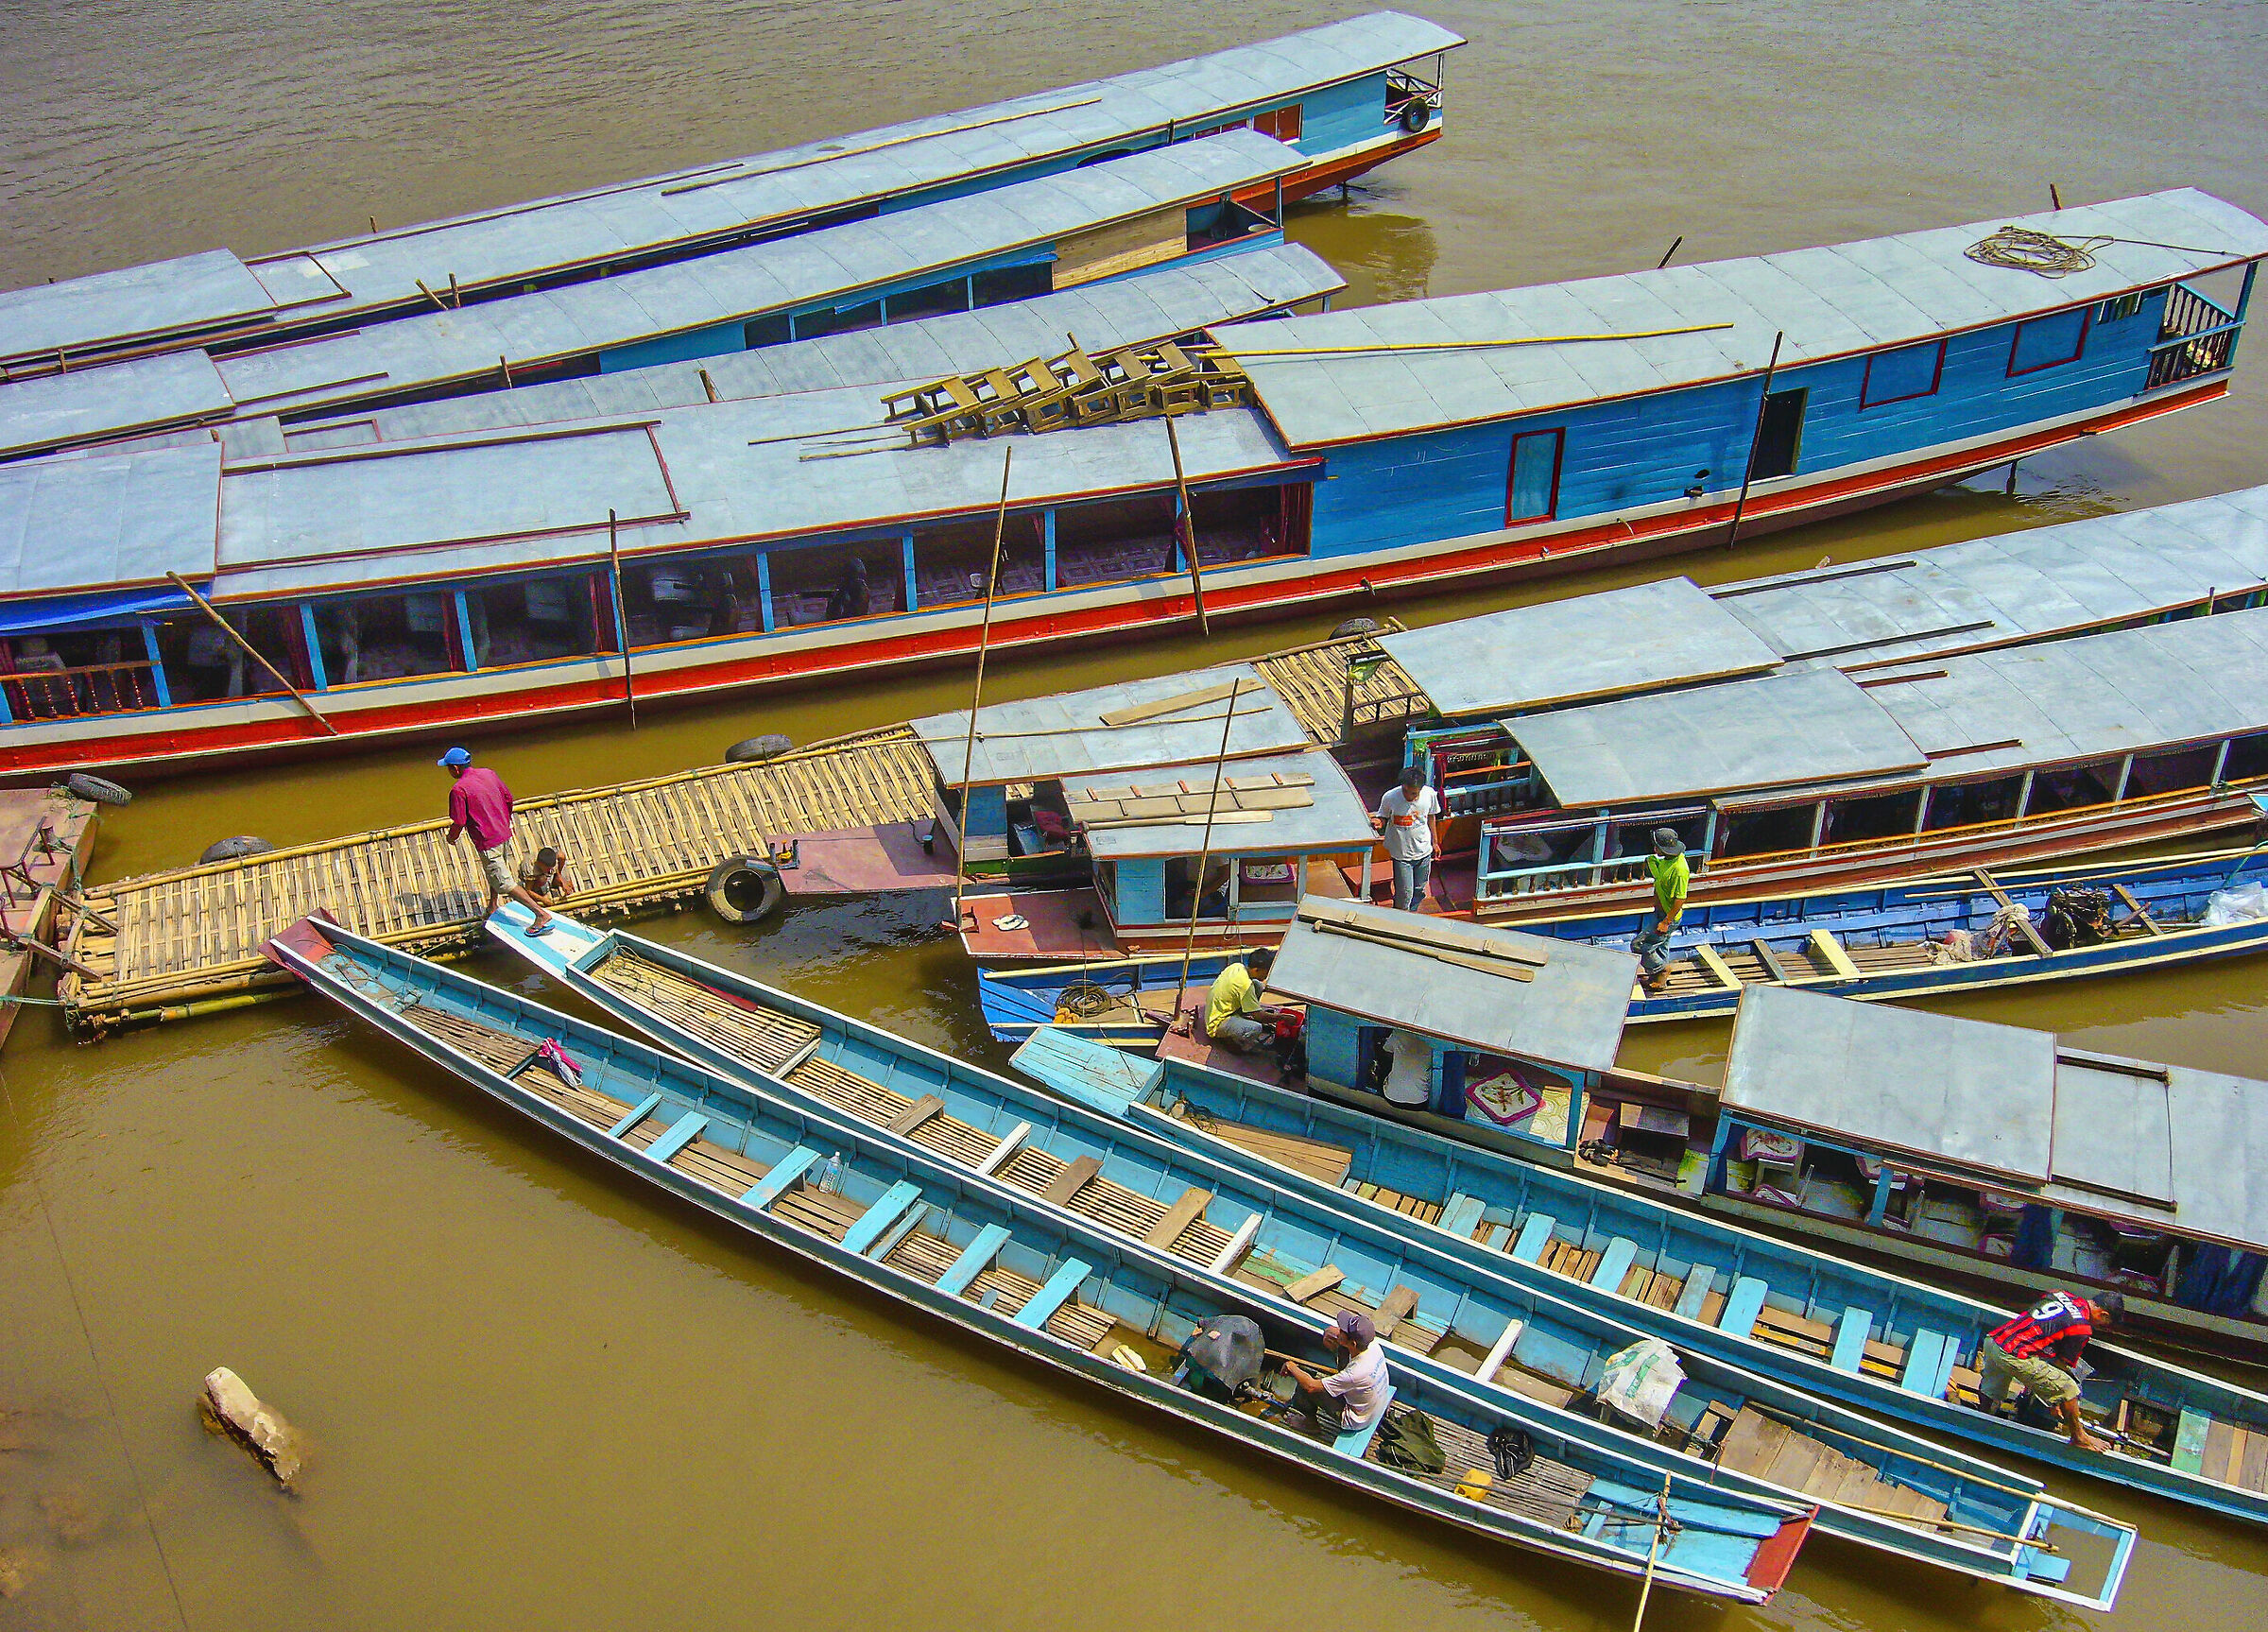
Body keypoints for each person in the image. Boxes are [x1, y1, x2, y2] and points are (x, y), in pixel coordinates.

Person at [1976, 1288, 2122, 1451]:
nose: (2100, 1327)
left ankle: (1980, 1421)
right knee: (2070, 1388)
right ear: (2104, 1315)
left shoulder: (2060, 1294)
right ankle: (2079, 1438)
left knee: (1992, 1390)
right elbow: (2061, 1365)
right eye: (2104, 1325)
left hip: (1995, 1341)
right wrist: (2056, 1398)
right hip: (2014, 1354)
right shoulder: (2082, 1328)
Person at [439, 747, 556, 936]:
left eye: (448, 768)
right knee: (493, 871)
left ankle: (540, 914)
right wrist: (503, 819)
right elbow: (508, 798)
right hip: (503, 831)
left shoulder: (459, 790)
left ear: (455, 768)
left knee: (504, 882)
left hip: (487, 840)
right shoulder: (488, 773)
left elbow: (459, 821)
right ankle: (493, 905)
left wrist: (451, 837)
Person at [1282, 1311, 1391, 1436]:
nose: (1339, 1331)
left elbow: (1310, 1386)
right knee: (1341, 1349)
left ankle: (1310, 1424)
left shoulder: (1355, 1373)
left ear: (1353, 1343)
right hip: (1373, 1404)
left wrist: (1291, 1367)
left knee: (1305, 1387)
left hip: (1357, 1419)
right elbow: (1338, 1336)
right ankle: (1339, 1386)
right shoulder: (1372, 1346)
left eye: (1342, 1332)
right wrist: (1330, 1332)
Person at [1372, 764, 1445, 912]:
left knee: (1419, 890)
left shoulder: (1429, 795)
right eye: (1406, 791)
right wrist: (1380, 822)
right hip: (1401, 855)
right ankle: (1400, 919)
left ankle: (1411, 915)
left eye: (1413, 793)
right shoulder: (1390, 797)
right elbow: (1383, 817)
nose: (1409, 796)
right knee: (1404, 894)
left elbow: (1431, 817)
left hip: (1423, 852)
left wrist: (1435, 843)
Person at [1634, 827, 1689, 991]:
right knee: (1661, 946)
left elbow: (1681, 898)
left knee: (1639, 945)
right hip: (1660, 911)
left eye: (1657, 846)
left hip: (1668, 916)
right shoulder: (1666, 860)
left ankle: (1660, 970)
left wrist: (1666, 921)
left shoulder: (1679, 870)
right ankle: (1658, 981)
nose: (1654, 849)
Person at [1204, 948, 1285, 1055]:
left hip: (1215, 1011)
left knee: (1258, 985)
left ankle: (1241, 1016)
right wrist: (1282, 1017)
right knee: (1256, 1028)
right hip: (1216, 1023)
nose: (1267, 976)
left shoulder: (1237, 967)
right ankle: (1237, 1045)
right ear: (1256, 970)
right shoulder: (1245, 986)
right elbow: (1259, 1017)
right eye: (1267, 972)